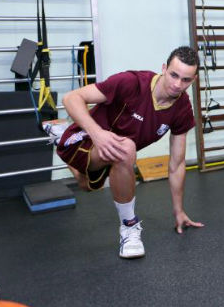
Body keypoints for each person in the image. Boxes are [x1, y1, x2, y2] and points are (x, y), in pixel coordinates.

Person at [56, 46, 204, 259]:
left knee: (87, 186)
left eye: (186, 80)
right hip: (82, 140)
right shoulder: (131, 83)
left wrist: (178, 210)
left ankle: (61, 140)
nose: (177, 84)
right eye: (174, 75)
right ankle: (129, 228)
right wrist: (98, 134)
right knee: (126, 148)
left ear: (194, 80)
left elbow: (177, 164)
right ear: (164, 68)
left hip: (112, 157)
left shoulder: (182, 108)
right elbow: (71, 98)